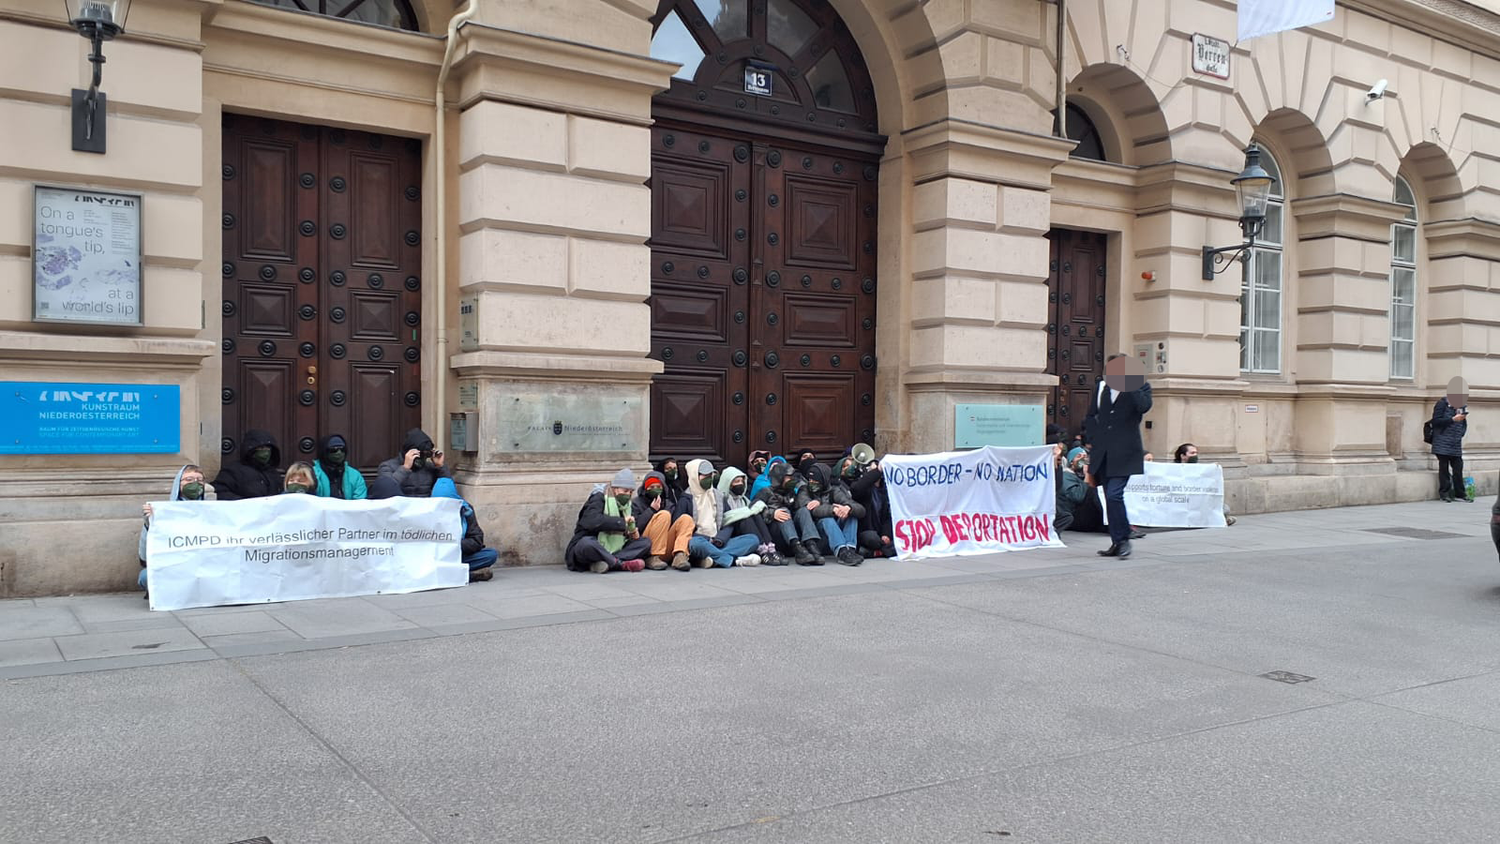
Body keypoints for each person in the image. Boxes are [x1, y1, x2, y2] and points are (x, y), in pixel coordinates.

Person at [1084, 353, 1153, 559]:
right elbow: (1091, 415)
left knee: (1115, 494)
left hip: (1126, 452)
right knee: (1109, 497)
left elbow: (1144, 407)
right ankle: (1116, 541)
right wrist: (1092, 437)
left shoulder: (1140, 386)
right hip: (1103, 452)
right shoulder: (1102, 387)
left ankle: (1123, 539)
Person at [137, 464, 208, 596]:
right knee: (145, 577)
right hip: (174, 565)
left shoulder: (214, 510)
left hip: (203, 565)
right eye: (189, 480)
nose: (195, 484)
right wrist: (150, 524)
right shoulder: (163, 512)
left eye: (199, 480)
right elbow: (144, 557)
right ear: (178, 484)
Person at [678, 459, 762, 568]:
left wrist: (720, 539)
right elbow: (681, 528)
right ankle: (734, 560)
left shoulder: (718, 496)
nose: (709, 479)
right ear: (694, 476)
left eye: (710, 475)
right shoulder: (686, 499)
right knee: (695, 544)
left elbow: (728, 520)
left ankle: (711, 559)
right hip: (699, 540)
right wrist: (707, 540)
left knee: (752, 539)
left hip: (719, 541)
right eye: (705, 476)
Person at [565, 468, 651, 573]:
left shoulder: (627, 507)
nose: (628, 495)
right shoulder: (599, 498)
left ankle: (605, 562)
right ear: (615, 489)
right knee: (586, 543)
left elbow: (628, 533)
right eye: (625, 491)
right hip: (591, 545)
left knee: (645, 543)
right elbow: (591, 521)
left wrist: (632, 532)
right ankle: (619, 564)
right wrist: (622, 523)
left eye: (631, 492)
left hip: (614, 550)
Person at [754, 459, 822, 565]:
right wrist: (772, 513)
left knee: (803, 511)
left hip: (792, 529)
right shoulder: (765, 492)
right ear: (780, 478)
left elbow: (800, 506)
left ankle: (811, 545)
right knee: (783, 511)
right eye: (789, 478)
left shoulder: (791, 492)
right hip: (776, 533)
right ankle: (797, 549)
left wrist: (816, 500)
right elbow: (752, 510)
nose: (792, 480)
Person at [432, 478, 498, 582]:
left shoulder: (466, 511)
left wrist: (455, 544)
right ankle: (465, 575)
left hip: (459, 555)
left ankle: (449, 574)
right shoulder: (427, 512)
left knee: (490, 555)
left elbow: (477, 540)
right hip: (434, 558)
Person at [717, 466, 786, 565]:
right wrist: (745, 512)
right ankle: (762, 551)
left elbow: (751, 510)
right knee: (746, 518)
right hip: (732, 531)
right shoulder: (722, 498)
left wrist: (750, 510)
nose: (740, 484)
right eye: (736, 481)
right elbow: (724, 518)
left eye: (742, 481)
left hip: (746, 529)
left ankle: (769, 547)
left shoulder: (743, 499)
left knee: (755, 514)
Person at [633, 471, 695, 570]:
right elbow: (636, 527)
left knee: (686, 519)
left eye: (658, 487)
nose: (655, 489)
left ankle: (680, 555)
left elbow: (674, 525)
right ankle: (653, 557)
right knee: (664, 515)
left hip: (665, 545)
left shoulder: (668, 504)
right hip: (646, 546)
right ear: (645, 488)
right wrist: (652, 510)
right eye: (651, 487)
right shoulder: (637, 503)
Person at [806, 462, 865, 566]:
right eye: (810, 480)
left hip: (836, 532)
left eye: (815, 481)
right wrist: (833, 509)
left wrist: (848, 508)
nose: (812, 483)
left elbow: (860, 509)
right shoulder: (805, 490)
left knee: (851, 516)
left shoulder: (834, 491)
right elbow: (814, 511)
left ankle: (850, 550)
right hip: (818, 536)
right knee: (827, 519)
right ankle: (842, 551)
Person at [1174, 442, 1235, 525]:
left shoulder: (1199, 468)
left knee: (1225, 508)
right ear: (1183, 456)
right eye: (1192, 453)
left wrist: (1213, 468)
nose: (1195, 455)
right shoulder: (1173, 469)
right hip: (1182, 502)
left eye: (1196, 453)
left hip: (1199, 501)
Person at [212, 428, 283, 500]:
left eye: (268, 449)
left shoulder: (273, 474)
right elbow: (219, 491)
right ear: (251, 450)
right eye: (261, 448)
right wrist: (244, 503)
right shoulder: (233, 471)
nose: (265, 452)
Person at [847, 456, 896, 558]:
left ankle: (876, 552)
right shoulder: (864, 490)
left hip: (881, 533)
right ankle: (885, 551)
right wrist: (877, 471)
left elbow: (888, 516)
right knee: (871, 538)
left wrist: (885, 534)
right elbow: (856, 489)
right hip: (866, 532)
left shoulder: (886, 490)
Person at [377, 428, 448, 498]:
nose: (422, 458)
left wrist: (440, 466)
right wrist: (405, 468)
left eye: (425, 455)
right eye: (418, 454)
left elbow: (447, 489)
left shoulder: (429, 467)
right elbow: (385, 490)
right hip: (400, 507)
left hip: (425, 507)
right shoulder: (387, 466)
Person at [1432, 378, 1470, 502]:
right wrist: (1452, 419)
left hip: (1455, 442)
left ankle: (1460, 493)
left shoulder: (1462, 405)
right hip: (1442, 441)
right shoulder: (1442, 404)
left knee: (1458, 467)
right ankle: (1444, 493)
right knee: (1443, 468)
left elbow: (1464, 423)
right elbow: (1436, 421)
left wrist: (1460, 434)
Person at [313, 434, 366, 500]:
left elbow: (360, 501)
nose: (339, 453)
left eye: (342, 449)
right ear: (324, 452)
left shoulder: (355, 475)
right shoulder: (313, 474)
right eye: (333, 450)